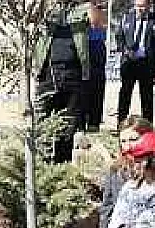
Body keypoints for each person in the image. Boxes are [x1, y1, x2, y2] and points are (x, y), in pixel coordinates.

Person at [33, 2, 91, 162]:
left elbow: (97, 19)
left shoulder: (81, 14)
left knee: (68, 123)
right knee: (43, 122)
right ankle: (43, 164)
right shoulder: (43, 15)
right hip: (48, 74)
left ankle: (62, 164)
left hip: (73, 74)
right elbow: (32, 18)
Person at [99, 116, 154, 228]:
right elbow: (107, 209)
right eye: (123, 141)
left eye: (133, 139)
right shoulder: (115, 171)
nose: (128, 146)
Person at [116, 0, 155, 126]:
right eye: (137, 6)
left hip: (146, 63)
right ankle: (121, 124)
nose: (140, 9)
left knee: (147, 95)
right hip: (129, 62)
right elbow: (119, 38)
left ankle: (147, 125)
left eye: (142, 6)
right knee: (125, 94)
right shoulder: (126, 18)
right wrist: (125, 51)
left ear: (148, 5)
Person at [80, 2, 109, 132]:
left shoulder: (98, 9)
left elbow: (99, 22)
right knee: (82, 87)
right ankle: (81, 121)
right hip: (83, 45)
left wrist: (94, 8)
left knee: (97, 85)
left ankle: (94, 121)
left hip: (96, 45)